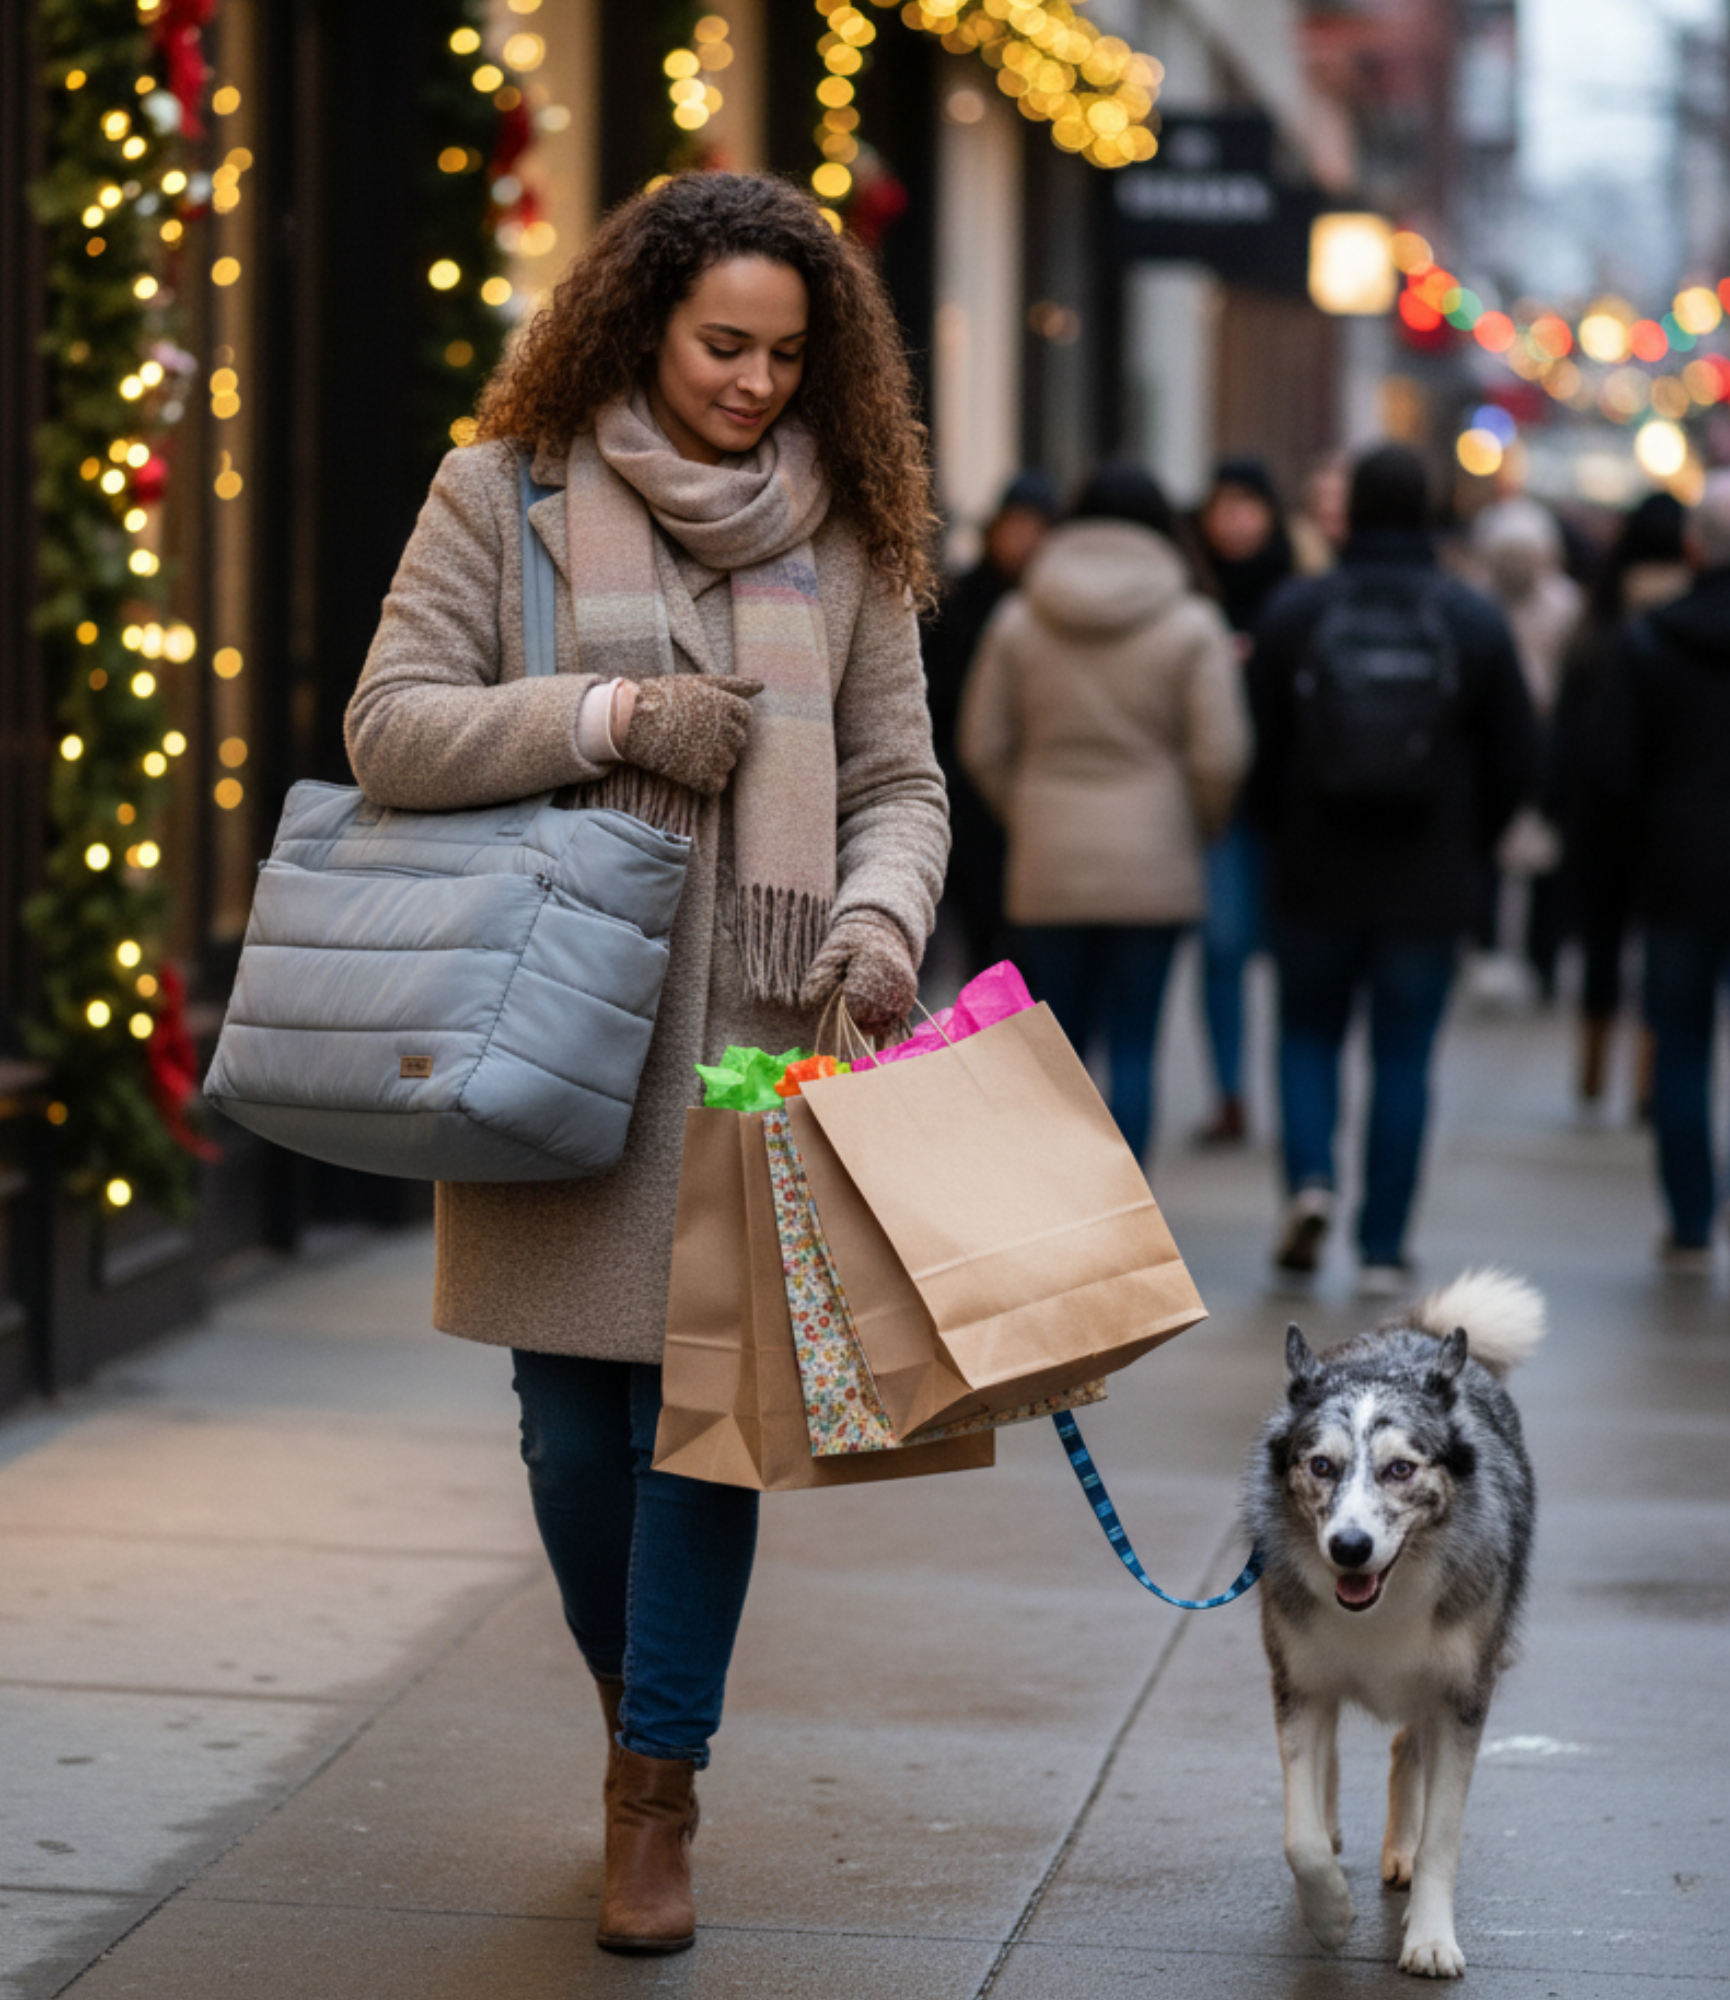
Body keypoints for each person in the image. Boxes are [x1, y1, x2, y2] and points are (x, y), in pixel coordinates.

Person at [343, 173, 948, 1954]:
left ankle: (653, 1789)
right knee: (565, 1439)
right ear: (641, 324)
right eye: (721, 347)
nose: (755, 385)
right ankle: (641, 1705)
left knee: (708, 1437)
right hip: (551, 1037)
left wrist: (884, 919)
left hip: (763, 1050)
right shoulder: (500, 496)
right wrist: (602, 719)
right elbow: (389, 727)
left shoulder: (848, 542)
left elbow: (898, 784)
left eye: (785, 354)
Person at [1246, 445, 1536, 1297]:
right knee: (1405, 1057)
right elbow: (1521, 755)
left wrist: (1279, 830)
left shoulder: (1295, 611)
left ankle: (1309, 1183)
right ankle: (1382, 1249)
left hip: (1314, 872)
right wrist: (1469, 841)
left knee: (1306, 1037)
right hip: (1428, 878)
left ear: (1349, 512)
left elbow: (1256, 747)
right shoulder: (1471, 619)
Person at [959, 462, 1248, 1164]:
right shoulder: (1192, 622)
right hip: (1154, 861)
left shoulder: (1020, 618)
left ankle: (1065, 1204)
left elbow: (982, 744)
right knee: (1136, 1044)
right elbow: (1222, 754)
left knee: (1059, 1048)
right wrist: (1194, 826)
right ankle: (1127, 1212)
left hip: (1048, 861)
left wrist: (1027, 814)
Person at [1594, 469, 1730, 1271]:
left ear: (1691, 545)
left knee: (1678, 1045)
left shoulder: (1650, 639)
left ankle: (1689, 1217)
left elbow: (1613, 776)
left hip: (1678, 873)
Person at [1547, 491, 1689, 1113]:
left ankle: (1593, 1068)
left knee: (1603, 946)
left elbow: (1570, 716)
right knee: (1664, 954)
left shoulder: (1602, 617)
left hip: (1602, 809)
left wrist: (1556, 801)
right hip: (1681, 817)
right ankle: (1647, 1081)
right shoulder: (1693, 612)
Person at [1191, 456, 1297, 1145]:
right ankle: (1231, 1092)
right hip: (1221, 808)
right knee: (1222, 951)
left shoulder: (1294, 593)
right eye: (1223, 506)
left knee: (1290, 958)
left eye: (1247, 505)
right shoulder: (1191, 593)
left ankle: (1290, 1089)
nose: (1234, 520)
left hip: (1286, 806)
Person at [921, 471, 1057, 976]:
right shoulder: (955, 602)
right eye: (1014, 527)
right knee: (978, 945)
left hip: (1037, 797)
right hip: (965, 794)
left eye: (1035, 528)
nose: (1023, 541)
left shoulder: (1056, 609)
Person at [1468, 498, 1584, 1004]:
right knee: (1492, 852)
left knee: (1541, 856)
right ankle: (1491, 952)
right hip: (1498, 737)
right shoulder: (1476, 601)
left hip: (1542, 738)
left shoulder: (1563, 604)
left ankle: (1537, 957)